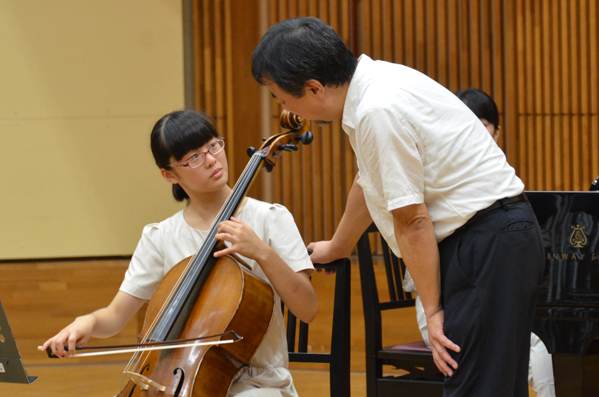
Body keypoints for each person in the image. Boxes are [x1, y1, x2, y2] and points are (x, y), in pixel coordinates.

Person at [251, 17, 544, 397]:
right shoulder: (377, 81)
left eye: (280, 96)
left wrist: (433, 311)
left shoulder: (376, 110)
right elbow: (368, 180)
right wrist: (338, 246)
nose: (283, 106)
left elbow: (413, 221)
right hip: (499, 240)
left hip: (484, 246)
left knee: (477, 390)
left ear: (313, 88)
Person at [41, 110, 318, 397]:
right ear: (169, 174)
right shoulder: (160, 237)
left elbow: (307, 309)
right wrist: (86, 322)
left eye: (213, 145)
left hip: (259, 384)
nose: (211, 159)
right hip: (178, 383)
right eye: (194, 157)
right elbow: (115, 315)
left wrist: (262, 252)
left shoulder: (270, 218)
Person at [411, 87, 555, 397]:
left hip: (482, 285)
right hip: (441, 296)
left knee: (539, 344)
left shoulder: (499, 184)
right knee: (538, 344)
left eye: (481, 125)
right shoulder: (440, 178)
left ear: (497, 132)